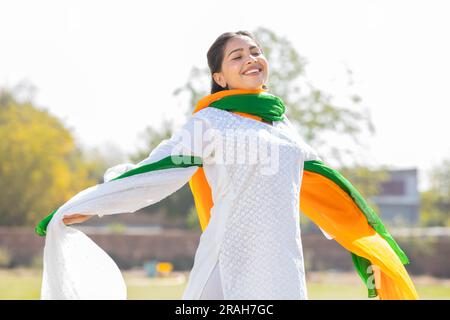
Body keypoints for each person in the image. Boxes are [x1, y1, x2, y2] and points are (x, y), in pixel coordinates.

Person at [36, 31, 418, 300]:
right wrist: (86, 205)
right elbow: (156, 171)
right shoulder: (210, 123)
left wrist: (372, 244)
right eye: (237, 56)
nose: (251, 59)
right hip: (229, 257)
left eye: (255, 51)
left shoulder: (285, 129)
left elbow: (333, 190)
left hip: (281, 263)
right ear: (219, 77)